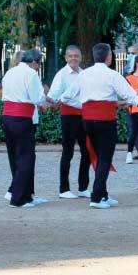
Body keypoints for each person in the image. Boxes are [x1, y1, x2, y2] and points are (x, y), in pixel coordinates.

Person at [62, 43, 138, 209]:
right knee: (104, 158)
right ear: (108, 57)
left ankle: (102, 194)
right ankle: (96, 197)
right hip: (105, 121)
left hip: (88, 121)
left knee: (98, 156)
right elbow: (133, 97)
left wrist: (87, 105)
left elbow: (66, 97)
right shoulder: (113, 75)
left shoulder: (84, 75)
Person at [0, 49, 47, 208]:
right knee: (26, 157)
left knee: (15, 156)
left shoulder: (10, 73)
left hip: (8, 117)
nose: (38, 67)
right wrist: (44, 102)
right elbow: (37, 97)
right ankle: (18, 199)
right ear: (34, 61)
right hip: (22, 119)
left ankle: (25, 195)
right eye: (39, 64)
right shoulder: (31, 74)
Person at [46, 45, 90, 199]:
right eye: (70, 56)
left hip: (84, 116)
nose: (73, 58)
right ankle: (64, 189)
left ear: (80, 57)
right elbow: (54, 93)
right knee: (68, 152)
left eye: (76, 56)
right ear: (65, 58)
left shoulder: (85, 74)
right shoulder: (61, 74)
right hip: (69, 116)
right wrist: (50, 101)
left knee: (87, 152)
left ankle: (83, 188)